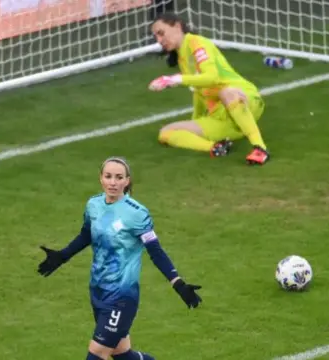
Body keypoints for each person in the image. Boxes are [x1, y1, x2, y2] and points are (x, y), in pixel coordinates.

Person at [37, 156, 202, 360]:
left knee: (96, 354)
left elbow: (155, 251)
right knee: (122, 353)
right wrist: (62, 256)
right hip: (97, 290)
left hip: (122, 296)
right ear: (101, 178)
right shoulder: (94, 205)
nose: (113, 182)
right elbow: (86, 235)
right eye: (108, 176)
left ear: (127, 181)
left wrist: (178, 283)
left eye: (118, 177)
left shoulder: (137, 214)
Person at [148, 12, 271, 165]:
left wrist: (176, 79)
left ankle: (260, 148)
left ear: (177, 26)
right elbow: (199, 92)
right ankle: (216, 147)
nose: (159, 40)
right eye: (156, 37)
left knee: (226, 92)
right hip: (222, 119)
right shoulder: (182, 57)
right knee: (165, 133)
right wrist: (196, 122)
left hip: (245, 101)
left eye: (161, 33)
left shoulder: (196, 43)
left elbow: (212, 78)